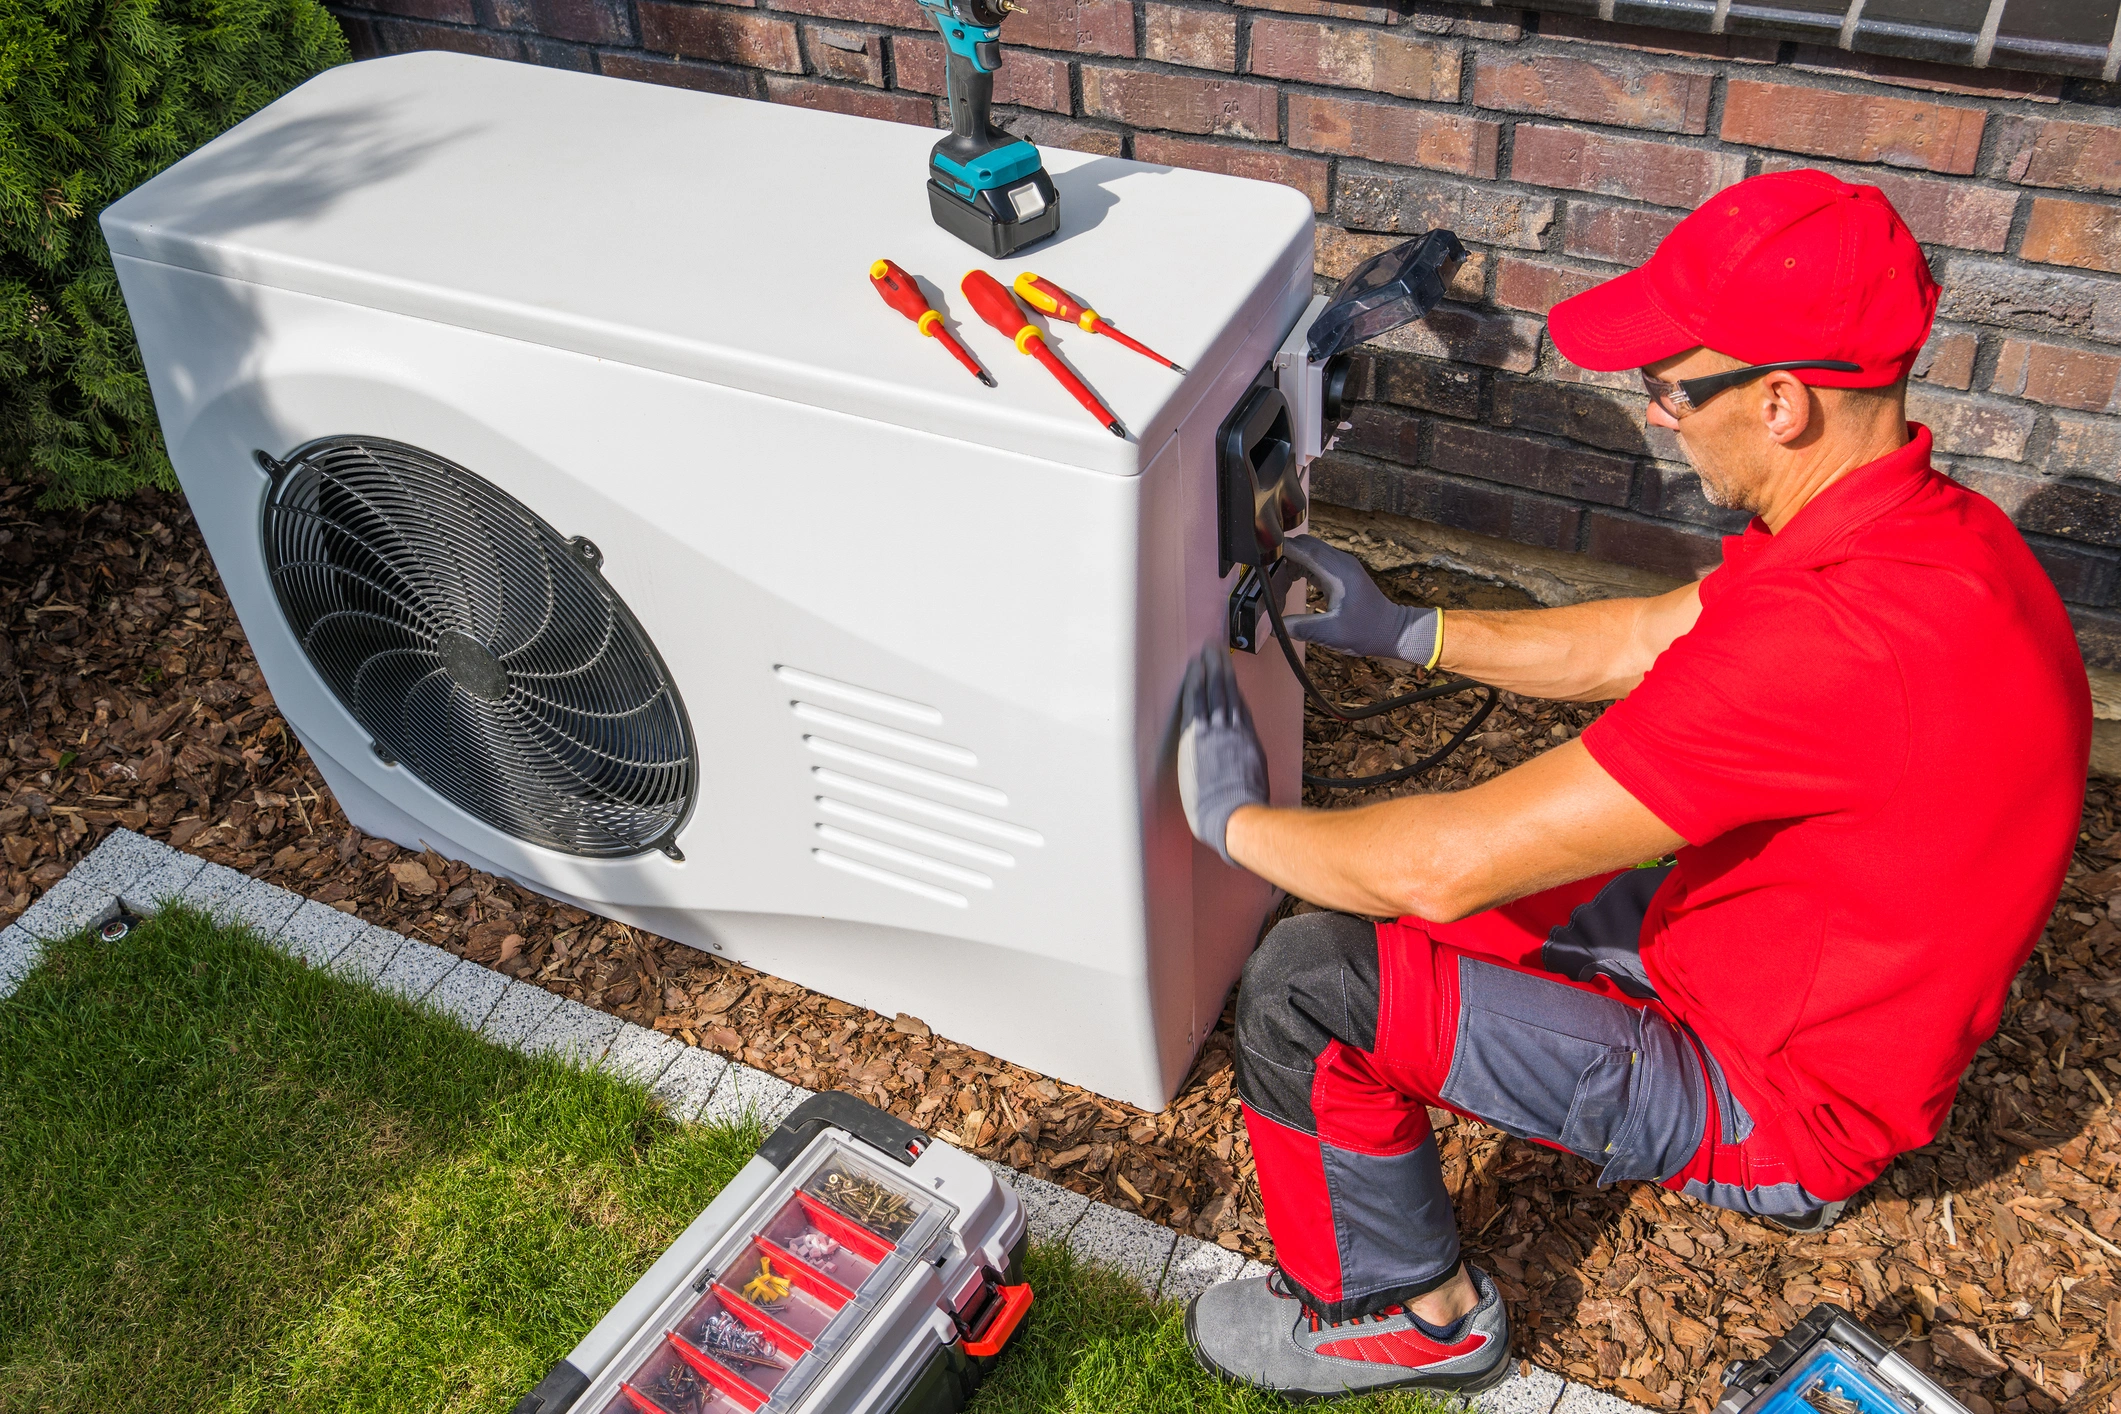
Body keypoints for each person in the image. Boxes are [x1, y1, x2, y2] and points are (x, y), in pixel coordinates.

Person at [1172, 168, 2092, 1402]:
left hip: (1776, 1098)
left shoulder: (1835, 644)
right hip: (1790, 977)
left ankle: (1402, 1314)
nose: (1657, 416)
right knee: (1397, 916)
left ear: (1780, 404)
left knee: (1306, 983)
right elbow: (1646, 637)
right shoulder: (1926, 536)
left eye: (1670, 385)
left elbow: (1438, 865)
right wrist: (1412, 632)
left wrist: (1230, 821)